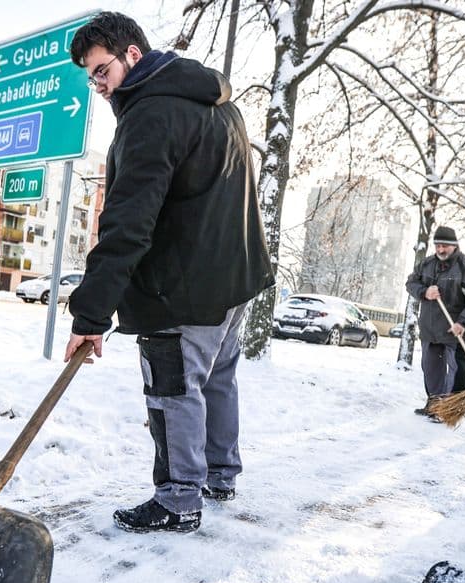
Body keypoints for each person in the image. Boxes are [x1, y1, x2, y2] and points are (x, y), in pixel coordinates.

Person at [66, 12, 274, 534]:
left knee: (173, 387)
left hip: (180, 286)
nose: (98, 87)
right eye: (91, 78)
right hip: (233, 279)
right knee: (217, 379)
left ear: (132, 55)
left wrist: (90, 313)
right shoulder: (217, 104)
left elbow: (127, 225)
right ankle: (219, 475)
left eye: (101, 72)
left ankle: (179, 497)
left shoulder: (150, 116)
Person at [405, 226, 465, 414]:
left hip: (456, 330)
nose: (441, 250)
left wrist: (463, 322)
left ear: (454, 245)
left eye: (445, 246)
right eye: (437, 246)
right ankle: (434, 405)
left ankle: (451, 409)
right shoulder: (426, 264)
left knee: (458, 370)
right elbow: (411, 283)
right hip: (431, 329)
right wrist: (424, 292)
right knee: (431, 369)